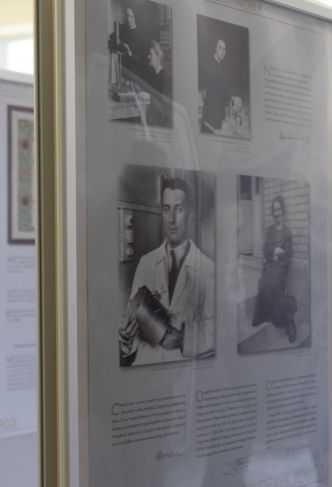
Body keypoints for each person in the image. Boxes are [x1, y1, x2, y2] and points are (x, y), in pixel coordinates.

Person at [119, 177, 215, 366]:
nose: (171, 219)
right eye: (166, 209)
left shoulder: (207, 268)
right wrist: (126, 337)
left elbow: (218, 330)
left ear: (190, 214)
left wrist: (182, 339)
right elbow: (132, 323)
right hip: (146, 371)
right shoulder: (146, 263)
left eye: (178, 209)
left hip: (181, 374)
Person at [252, 196, 297, 343]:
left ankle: (289, 322)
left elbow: (288, 253)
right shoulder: (270, 231)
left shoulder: (287, 232)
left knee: (274, 284)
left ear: (283, 211)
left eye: (279, 209)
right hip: (271, 265)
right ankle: (265, 315)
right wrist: (275, 251)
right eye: (274, 210)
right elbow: (265, 249)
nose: (277, 212)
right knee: (263, 283)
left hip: (281, 269)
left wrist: (280, 253)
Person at [200, 38, 231, 134]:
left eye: (224, 49)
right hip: (211, 113)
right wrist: (230, 99)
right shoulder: (212, 66)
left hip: (214, 111)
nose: (223, 51)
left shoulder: (218, 65)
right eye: (220, 48)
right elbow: (216, 93)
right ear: (215, 48)